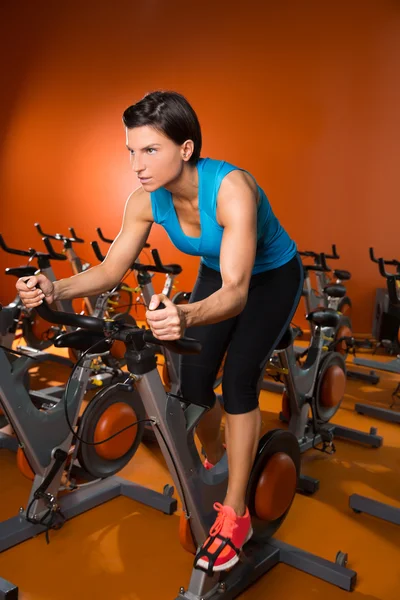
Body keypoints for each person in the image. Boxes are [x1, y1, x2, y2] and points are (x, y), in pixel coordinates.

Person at [16, 90, 303, 573]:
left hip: (270, 277)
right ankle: (220, 463)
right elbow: (110, 271)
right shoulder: (145, 201)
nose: (137, 164)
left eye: (150, 150)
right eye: (131, 150)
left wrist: (186, 315)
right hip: (219, 270)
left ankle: (236, 514)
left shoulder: (232, 188)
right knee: (192, 385)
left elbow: (236, 292)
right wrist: (54, 286)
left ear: (185, 149)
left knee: (237, 383)